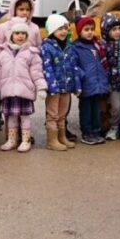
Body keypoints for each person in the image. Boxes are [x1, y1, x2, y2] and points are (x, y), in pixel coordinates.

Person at [0, 21, 46, 152]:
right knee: (11, 117)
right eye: (17, 33)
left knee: (25, 117)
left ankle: (25, 140)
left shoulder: (32, 54)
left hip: (24, 92)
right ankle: (12, 140)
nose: (20, 36)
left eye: (23, 33)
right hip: (8, 91)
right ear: (11, 35)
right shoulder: (2, 55)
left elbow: (37, 73)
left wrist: (41, 87)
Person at [41, 14, 80, 152]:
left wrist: (76, 85)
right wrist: (52, 86)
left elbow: (73, 66)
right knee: (53, 114)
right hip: (54, 88)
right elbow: (47, 68)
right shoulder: (47, 47)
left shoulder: (69, 47)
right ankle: (52, 140)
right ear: (52, 31)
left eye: (65, 28)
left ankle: (62, 137)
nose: (64, 31)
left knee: (63, 114)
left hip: (67, 86)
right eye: (60, 29)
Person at [72, 16, 110, 145]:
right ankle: (87, 132)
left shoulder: (97, 46)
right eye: (86, 29)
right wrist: (81, 79)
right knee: (86, 110)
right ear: (79, 31)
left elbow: (102, 65)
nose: (89, 32)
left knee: (96, 109)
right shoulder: (76, 48)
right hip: (86, 85)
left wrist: (104, 78)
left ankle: (96, 130)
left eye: (92, 29)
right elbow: (75, 67)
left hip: (98, 84)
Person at [0, 0, 42, 65]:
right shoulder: (3, 27)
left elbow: (38, 48)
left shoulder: (34, 28)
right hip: (7, 68)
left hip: (28, 68)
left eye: (28, 10)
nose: (25, 12)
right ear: (14, 9)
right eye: (21, 9)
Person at [101, 14, 120, 141]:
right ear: (106, 31)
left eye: (119, 29)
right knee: (114, 106)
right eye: (113, 29)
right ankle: (113, 127)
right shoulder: (103, 45)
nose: (117, 32)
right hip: (110, 82)